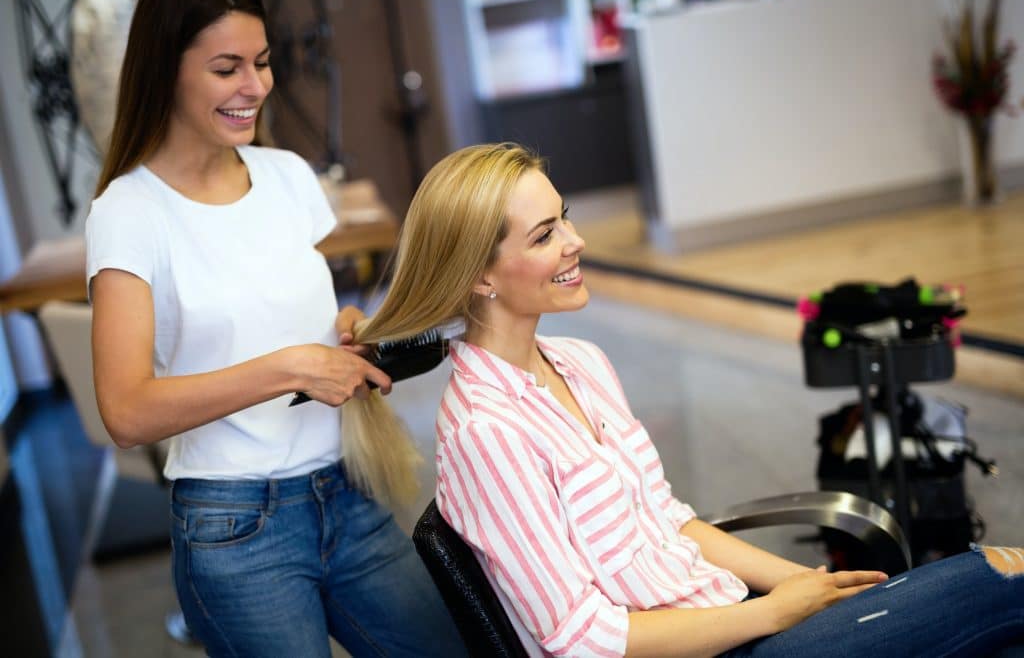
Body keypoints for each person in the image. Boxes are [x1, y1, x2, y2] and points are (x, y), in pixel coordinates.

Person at [344, 142, 1024, 657]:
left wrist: (805, 588)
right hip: (720, 644)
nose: (576, 241)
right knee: (1000, 579)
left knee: (1003, 603)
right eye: (544, 234)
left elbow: (669, 520)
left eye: (565, 219)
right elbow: (578, 639)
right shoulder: (488, 434)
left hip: (732, 620)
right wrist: (775, 613)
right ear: (480, 277)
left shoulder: (580, 363)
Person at [85, 0, 464, 655]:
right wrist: (287, 368)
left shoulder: (287, 175)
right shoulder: (128, 213)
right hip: (235, 529)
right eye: (225, 68)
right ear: (164, 71)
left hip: (350, 490)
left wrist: (339, 331)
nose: (255, 86)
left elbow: (274, 306)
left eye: (260, 63)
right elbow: (126, 410)